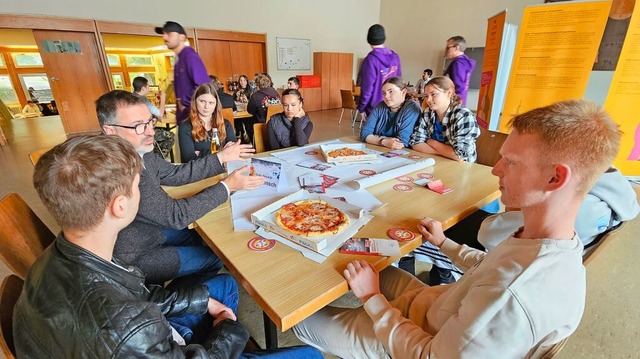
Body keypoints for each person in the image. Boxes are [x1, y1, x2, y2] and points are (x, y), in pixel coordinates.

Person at [293, 99, 621, 358]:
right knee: (354, 259)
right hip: (438, 304)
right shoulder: (551, 239)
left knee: (301, 320)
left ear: (555, 178)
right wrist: (444, 243)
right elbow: (490, 270)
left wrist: (371, 297)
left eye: (512, 162)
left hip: (410, 342)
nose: (496, 168)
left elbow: (428, 355)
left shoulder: (514, 296)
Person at [14, 134, 322, 358]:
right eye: (139, 186)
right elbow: (131, 318)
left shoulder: (54, 258)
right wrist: (228, 330)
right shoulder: (128, 326)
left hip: (135, 338)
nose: (144, 191)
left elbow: (136, 294)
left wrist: (202, 302)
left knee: (224, 285)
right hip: (158, 344)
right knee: (312, 356)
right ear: (120, 206)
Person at [97, 90, 264, 292]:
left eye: (150, 122)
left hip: (149, 230)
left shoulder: (138, 151)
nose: (151, 132)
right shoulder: (118, 169)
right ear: (110, 131)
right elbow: (176, 216)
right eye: (139, 126)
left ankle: (184, 289)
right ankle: (172, 298)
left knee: (200, 236)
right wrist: (228, 186)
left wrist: (220, 157)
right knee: (215, 257)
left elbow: (175, 173)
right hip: (134, 254)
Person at [411, 167, 640, 285]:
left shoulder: (561, 208)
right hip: (531, 260)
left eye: (513, 161)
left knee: (420, 228)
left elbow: (488, 234)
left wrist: (518, 207)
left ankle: (431, 271)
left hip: (504, 258)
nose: (497, 168)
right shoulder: (613, 189)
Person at [410, 76, 480, 162]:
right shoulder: (428, 113)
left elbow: (460, 155)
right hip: (438, 161)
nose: (429, 99)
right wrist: (444, 153)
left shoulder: (463, 115)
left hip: (463, 168)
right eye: (426, 96)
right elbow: (415, 143)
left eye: (433, 94)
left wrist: (431, 142)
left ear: (449, 93)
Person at [156, 21, 210, 124]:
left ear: (182, 37)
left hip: (193, 119)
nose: (165, 38)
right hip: (184, 118)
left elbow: (204, 85)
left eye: (169, 34)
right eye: (164, 34)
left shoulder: (190, 57)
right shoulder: (179, 59)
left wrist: (183, 101)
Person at [179, 83, 237, 162]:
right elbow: (189, 160)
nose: (206, 106)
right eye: (202, 101)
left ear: (216, 104)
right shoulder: (185, 127)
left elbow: (233, 154)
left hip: (223, 172)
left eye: (211, 103)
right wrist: (222, 153)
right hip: (199, 173)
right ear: (195, 101)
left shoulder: (226, 124)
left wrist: (201, 154)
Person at [360, 77, 421, 149]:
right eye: (384, 93)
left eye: (391, 92)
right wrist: (384, 141)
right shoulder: (380, 106)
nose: (386, 96)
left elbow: (401, 142)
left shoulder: (412, 108)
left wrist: (374, 138)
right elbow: (364, 134)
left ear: (404, 92)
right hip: (379, 149)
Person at [357, 24, 402, 121]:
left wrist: (361, 107)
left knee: (372, 135)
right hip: (394, 105)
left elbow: (367, 88)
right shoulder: (395, 57)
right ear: (384, 38)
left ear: (369, 39)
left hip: (375, 108)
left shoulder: (370, 60)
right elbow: (399, 82)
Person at [444, 35, 475, 106]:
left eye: (448, 48)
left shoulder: (458, 63)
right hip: (460, 100)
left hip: (454, 102)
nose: (446, 50)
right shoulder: (464, 62)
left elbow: (459, 86)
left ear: (456, 48)